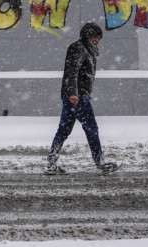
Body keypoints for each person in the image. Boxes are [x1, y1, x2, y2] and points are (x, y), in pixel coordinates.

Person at [45, 22, 118, 175]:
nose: (97, 40)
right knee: (91, 129)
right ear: (87, 36)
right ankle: (100, 162)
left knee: (64, 130)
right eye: (94, 37)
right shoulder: (78, 48)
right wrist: (73, 93)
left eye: (98, 37)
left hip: (74, 96)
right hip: (77, 97)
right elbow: (72, 71)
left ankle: (51, 163)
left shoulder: (88, 49)